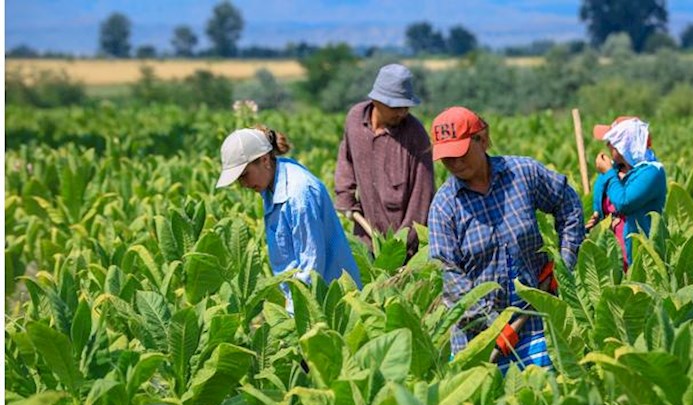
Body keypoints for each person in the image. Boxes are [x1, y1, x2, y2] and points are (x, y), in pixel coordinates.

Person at [427, 107, 585, 373]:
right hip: (480, 340)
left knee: (544, 398)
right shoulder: (444, 206)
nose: (454, 163)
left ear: (483, 139)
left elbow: (568, 204)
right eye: (446, 157)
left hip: (536, 320)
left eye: (460, 152)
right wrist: (493, 328)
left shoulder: (523, 173)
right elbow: (452, 280)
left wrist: (564, 264)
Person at [216, 126, 362, 310]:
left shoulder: (298, 193)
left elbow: (311, 264)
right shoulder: (272, 180)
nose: (243, 184)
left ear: (264, 160)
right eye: (238, 180)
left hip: (330, 301)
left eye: (244, 175)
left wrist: (295, 314)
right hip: (309, 296)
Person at [334, 63, 434, 259]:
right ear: (376, 100)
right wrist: (345, 198)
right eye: (396, 107)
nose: (402, 112)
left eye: (406, 106)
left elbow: (422, 198)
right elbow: (346, 162)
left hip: (404, 247)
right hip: (365, 237)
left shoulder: (415, 134)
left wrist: (400, 247)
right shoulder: (355, 120)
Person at [585, 116, 666, 270]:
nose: (608, 145)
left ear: (625, 144)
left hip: (639, 259)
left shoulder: (652, 172)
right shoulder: (615, 170)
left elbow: (624, 203)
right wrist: (597, 215)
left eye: (612, 141)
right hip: (612, 257)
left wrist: (608, 173)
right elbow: (603, 196)